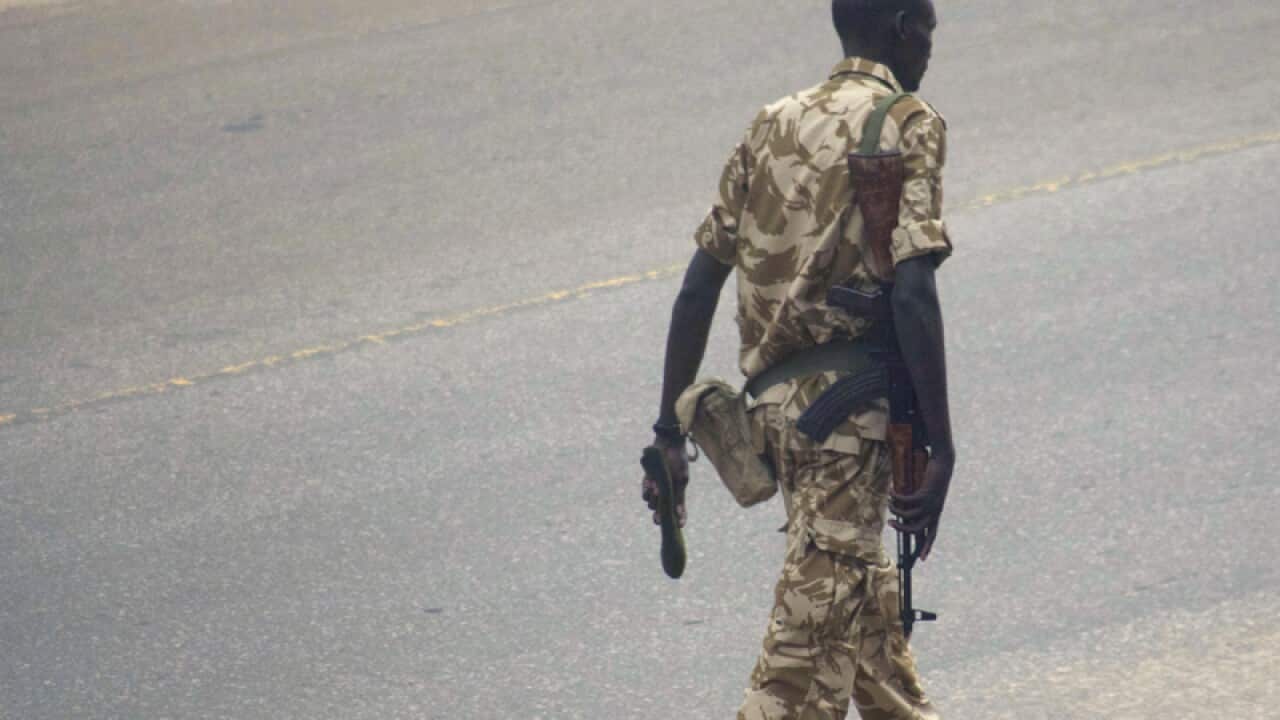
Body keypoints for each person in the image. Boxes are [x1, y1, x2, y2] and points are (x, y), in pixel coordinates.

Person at [641, 1, 955, 718]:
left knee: (865, 633)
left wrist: (667, 431)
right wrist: (942, 445)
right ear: (903, 27)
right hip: (849, 426)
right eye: (929, 31)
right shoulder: (909, 122)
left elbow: (697, 289)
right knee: (798, 668)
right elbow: (912, 293)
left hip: (778, 416)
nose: (931, 48)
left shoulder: (772, 121)